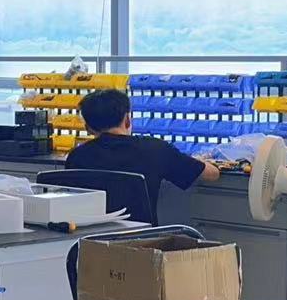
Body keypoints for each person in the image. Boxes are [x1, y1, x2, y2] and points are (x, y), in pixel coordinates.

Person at [67, 87, 218, 215]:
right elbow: (211, 174)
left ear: (88, 128)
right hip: (142, 236)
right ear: (128, 120)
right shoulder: (155, 149)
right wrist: (202, 161)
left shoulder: (77, 156)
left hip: (89, 237)